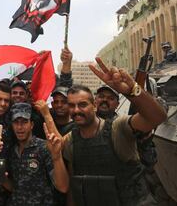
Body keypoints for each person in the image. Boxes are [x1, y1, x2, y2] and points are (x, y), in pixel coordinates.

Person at [59, 57, 167, 205]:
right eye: (72, 105)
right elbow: (74, 187)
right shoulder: (70, 141)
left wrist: (132, 91)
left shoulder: (118, 127)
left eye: (82, 104)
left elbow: (156, 117)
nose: (76, 110)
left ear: (93, 105)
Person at [0, 102, 69, 206]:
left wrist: (57, 156)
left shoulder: (44, 147)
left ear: (31, 125)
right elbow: (15, 187)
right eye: (16, 122)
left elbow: (63, 187)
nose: (19, 127)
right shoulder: (12, 151)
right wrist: (3, 180)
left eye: (24, 122)